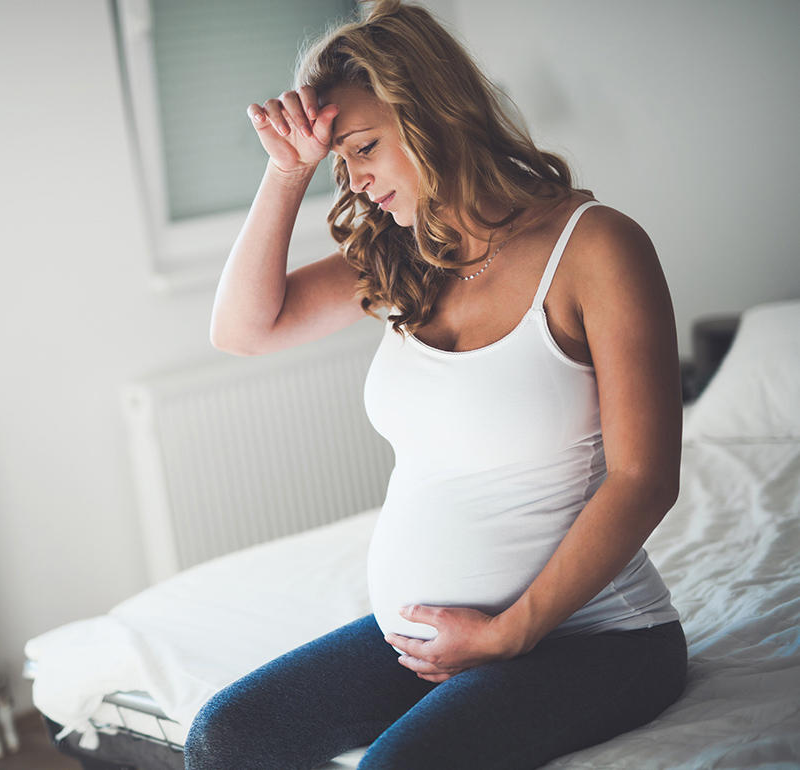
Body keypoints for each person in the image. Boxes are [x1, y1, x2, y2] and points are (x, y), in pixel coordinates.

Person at [188, 1, 687, 767]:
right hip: (427, 639)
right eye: (338, 162)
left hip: (595, 639)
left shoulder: (596, 249)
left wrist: (506, 633)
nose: (352, 179)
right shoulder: (402, 252)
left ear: (431, 115)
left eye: (363, 146)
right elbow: (243, 330)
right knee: (228, 737)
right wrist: (288, 171)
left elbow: (644, 479)